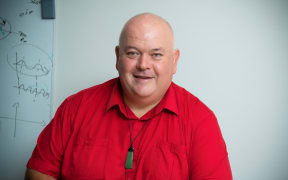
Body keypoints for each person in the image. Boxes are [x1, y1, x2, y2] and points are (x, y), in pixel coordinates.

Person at [25, 13, 233, 180]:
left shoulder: (200, 120)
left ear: (174, 60)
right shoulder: (75, 108)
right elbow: (39, 172)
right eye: (133, 53)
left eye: (156, 55)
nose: (143, 65)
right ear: (118, 57)